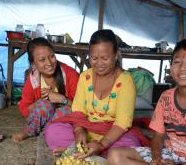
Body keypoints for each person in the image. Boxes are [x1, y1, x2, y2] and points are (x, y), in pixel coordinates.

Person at [44, 29, 148, 157]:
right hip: (87, 128)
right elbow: (78, 111)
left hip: (113, 133)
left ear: (116, 55)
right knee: (52, 131)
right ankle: (86, 149)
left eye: (105, 58)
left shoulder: (126, 81)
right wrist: (79, 131)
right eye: (94, 58)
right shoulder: (85, 77)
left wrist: (102, 144)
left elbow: (122, 122)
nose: (99, 63)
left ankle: (80, 150)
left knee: (132, 144)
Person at [12, 37, 79, 142]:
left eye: (52, 56)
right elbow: (24, 110)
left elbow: (81, 108)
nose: (49, 63)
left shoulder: (71, 74)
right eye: (42, 60)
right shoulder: (33, 79)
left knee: (65, 110)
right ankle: (30, 130)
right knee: (44, 106)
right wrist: (40, 102)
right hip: (44, 115)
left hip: (63, 117)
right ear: (33, 63)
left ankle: (46, 133)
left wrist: (62, 99)